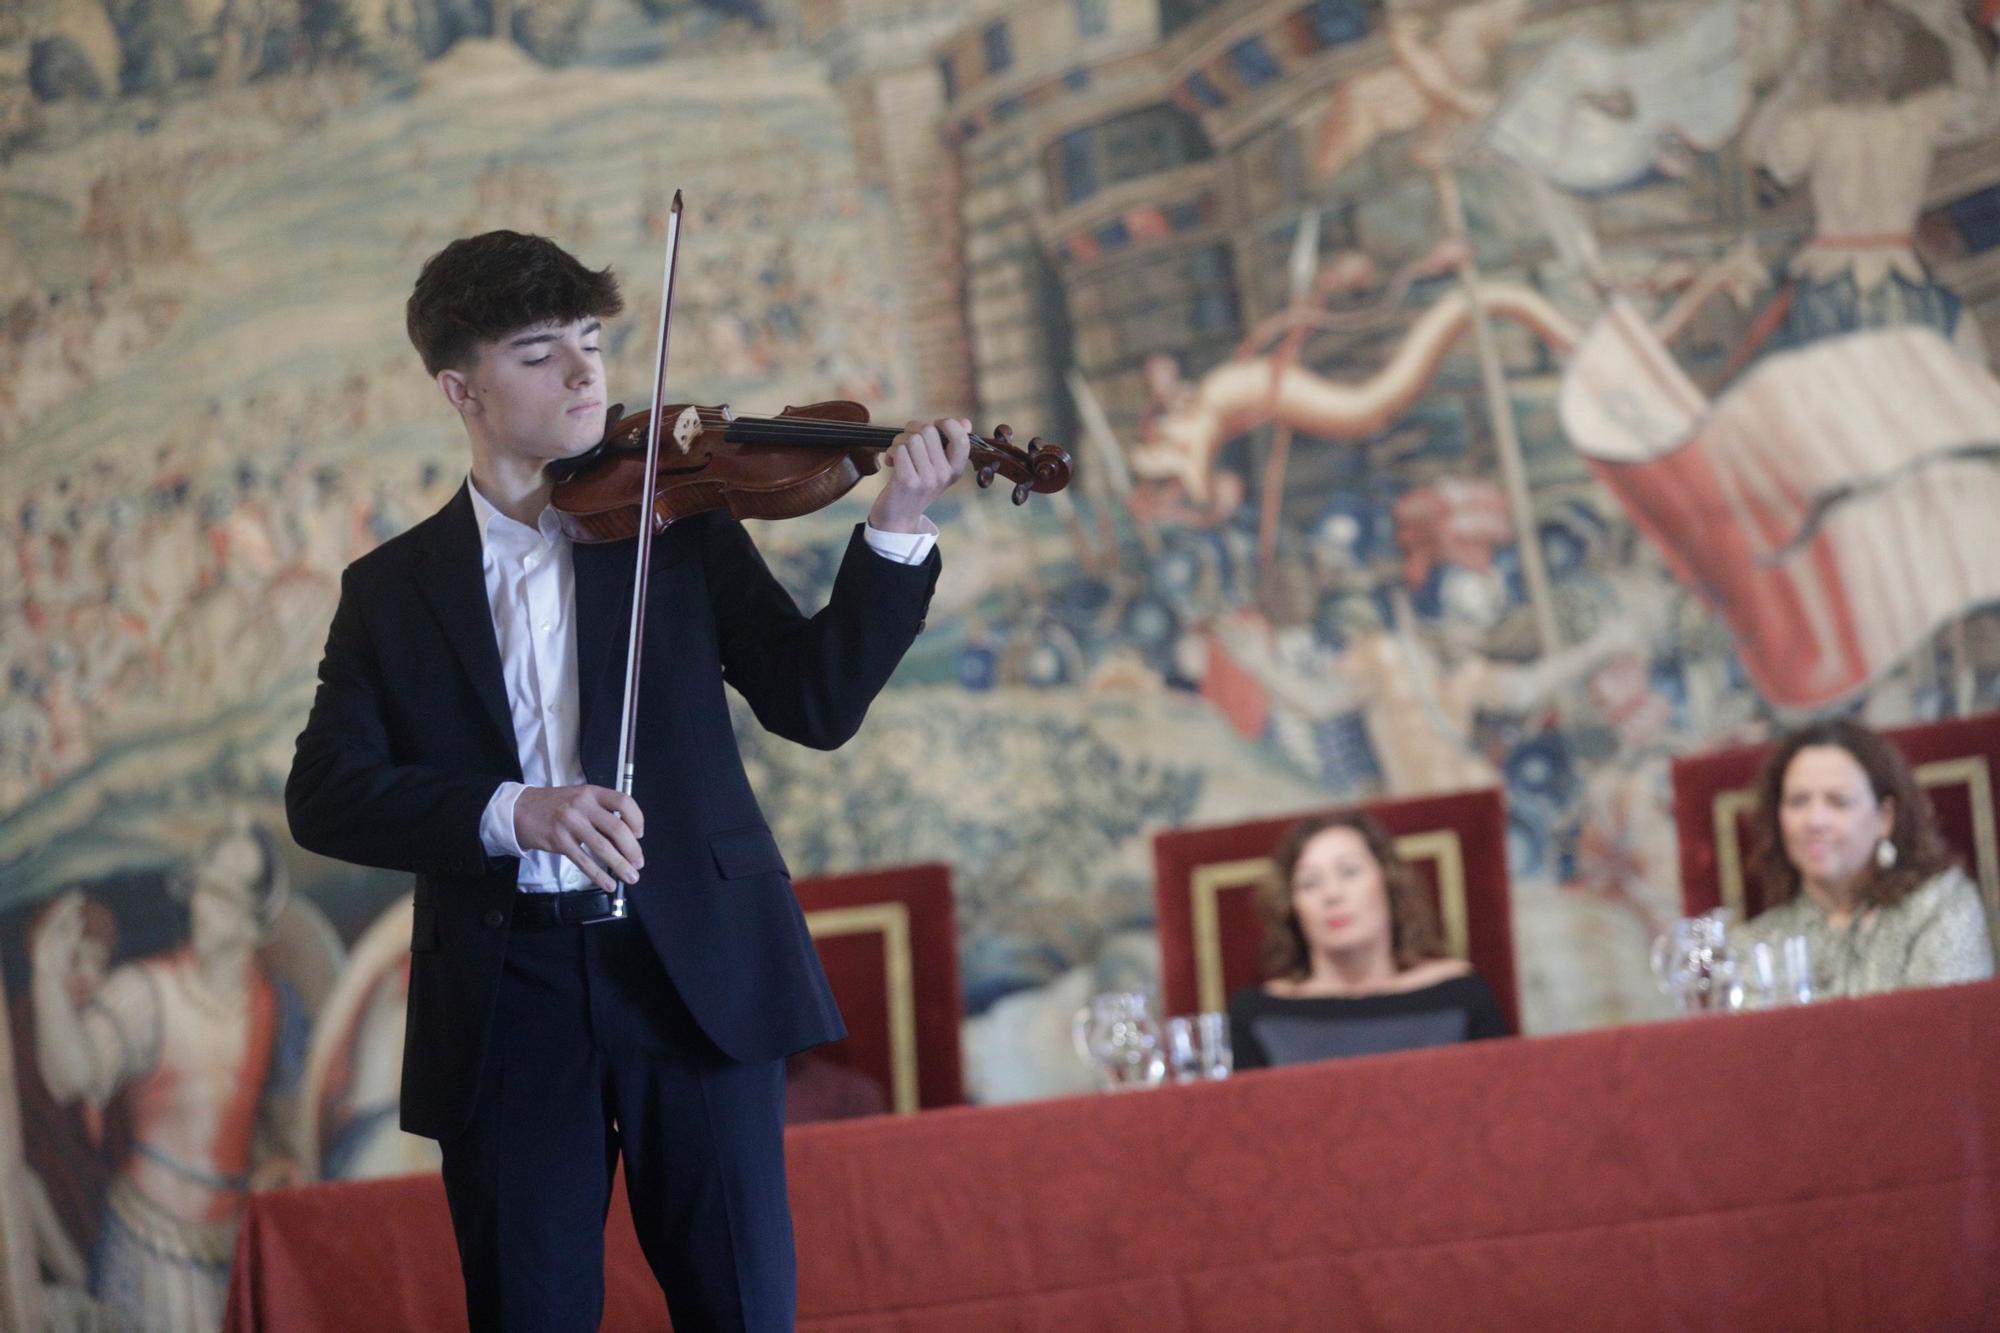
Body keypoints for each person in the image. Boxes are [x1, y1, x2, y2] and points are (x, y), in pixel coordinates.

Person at [285, 229, 969, 1331]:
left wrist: (893, 530)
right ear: (460, 388)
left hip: (691, 969)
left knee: (740, 1308)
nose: (585, 372)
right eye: (539, 351)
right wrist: (517, 811)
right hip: (510, 999)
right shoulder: (390, 590)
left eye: (595, 342)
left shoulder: (676, 522)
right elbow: (323, 793)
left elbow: (814, 703)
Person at [29, 819, 302, 1333]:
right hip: (145, 1246)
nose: (201, 904)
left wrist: (280, 1166)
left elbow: (276, 1125)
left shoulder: (273, 1005)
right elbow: (72, 1076)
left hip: (232, 1251)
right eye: (202, 885)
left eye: (221, 894)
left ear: (254, 920)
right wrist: (46, 973)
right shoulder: (145, 993)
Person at [1228, 810, 1510, 1069]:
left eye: (1349, 872)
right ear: (1291, 905)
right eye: (1310, 882)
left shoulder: (1458, 993)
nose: (1332, 894)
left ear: (1388, 882)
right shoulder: (1257, 1013)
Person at [1734, 718, 1995, 997]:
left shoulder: (1941, 906)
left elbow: (1951, 1030)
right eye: (1798, 801)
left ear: (1885, 817)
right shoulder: (1753, 944)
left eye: (1838, 801)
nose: (1814, 821)